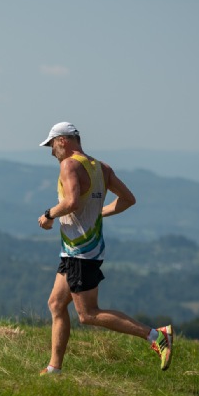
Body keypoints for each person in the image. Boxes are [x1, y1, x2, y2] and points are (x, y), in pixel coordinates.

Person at [36, 122, 173, 374]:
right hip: (80, 249)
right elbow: (128, 200)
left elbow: (72, 202)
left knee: (88, 314)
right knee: (56, 304)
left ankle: (156, 336)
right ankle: (54, 369)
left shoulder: (69, 165)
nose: (51, 151)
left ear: (63, 141)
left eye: (51, 144)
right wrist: (100, 213)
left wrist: (49, 214)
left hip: (81, 251)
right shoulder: (101, 167)